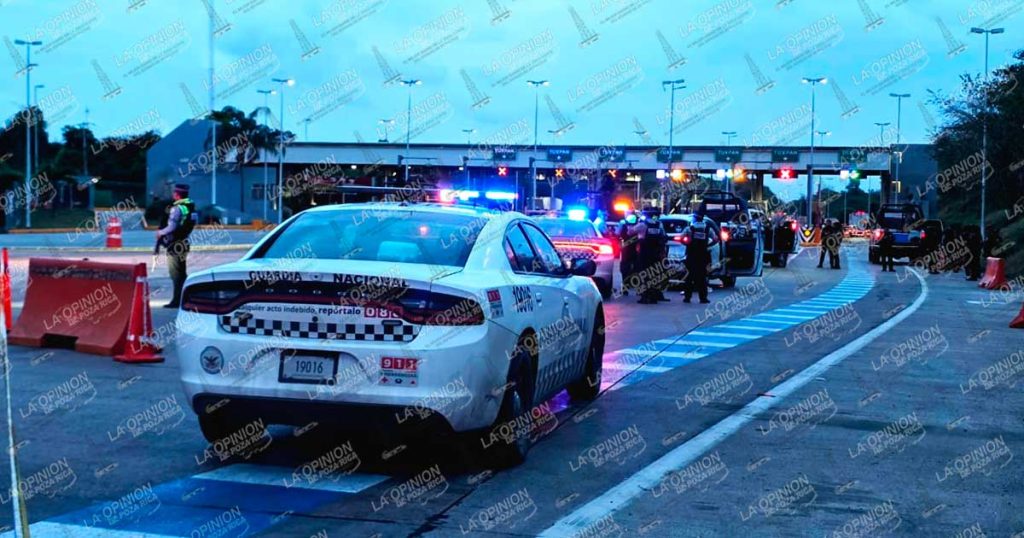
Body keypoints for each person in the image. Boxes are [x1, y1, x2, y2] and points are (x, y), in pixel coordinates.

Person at [157, 184, 198, 308]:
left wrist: (160, 233)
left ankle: (177, 301)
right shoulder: (191, 207)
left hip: (174, 244)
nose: (173, 194)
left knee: (175, 274)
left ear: (177, 195)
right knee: (182, 273)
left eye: (174, 193)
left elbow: (172, 226)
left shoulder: (177, 208)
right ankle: (186, 298)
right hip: (184, 242)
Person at [681, 209, 719, 304]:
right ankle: (703, 298)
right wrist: (708, 246)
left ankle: (687, 297)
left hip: (692, 255)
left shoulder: (689, 229)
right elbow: (715, 239)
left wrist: (688, 244)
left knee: (689, 277)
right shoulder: (708, 229)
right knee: (702, 277)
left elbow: (681, 238)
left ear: (695, 219)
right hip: (703, 256)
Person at [634, 208, 668, 304]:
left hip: (644, 253)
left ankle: (645, 296)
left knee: (643, 274)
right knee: (654, 274)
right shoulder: (659, 224)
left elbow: (630, 231)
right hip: (656, 253)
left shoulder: (642, 224)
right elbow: (663, 236)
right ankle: (654, 296)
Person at [617, 212, 640, 296]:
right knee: (629, 269)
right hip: (629, 250)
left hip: (631, 250)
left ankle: (627, 288)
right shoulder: (624, 225)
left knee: (633, 269)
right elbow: (618, 234)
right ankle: (629, 288)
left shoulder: (637, 225)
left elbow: (617, 234)